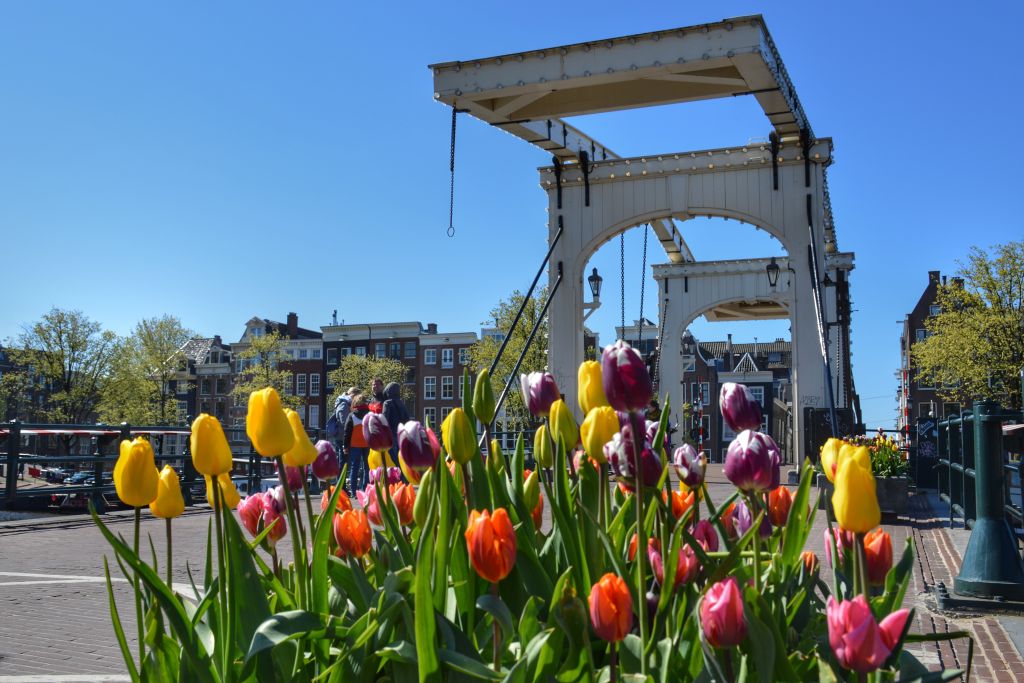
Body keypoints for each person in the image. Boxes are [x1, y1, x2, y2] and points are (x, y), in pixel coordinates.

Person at [344, 394, 370, 493]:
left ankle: (353, 491)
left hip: (354, 445)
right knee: (367, 467)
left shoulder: (352, 415)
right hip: (367, 444)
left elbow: (347, 432)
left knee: (354, 467)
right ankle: (366, 489)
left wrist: (345, 446)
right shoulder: (369, 414)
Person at [382, 382, 411, 471]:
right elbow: (407, 419)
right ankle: (402, 477)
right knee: (401, 459)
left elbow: (384, 420)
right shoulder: (402, 403)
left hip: (391, 435)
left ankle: (394, 477)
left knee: (392, 459)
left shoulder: (387, 403)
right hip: (401, 435)